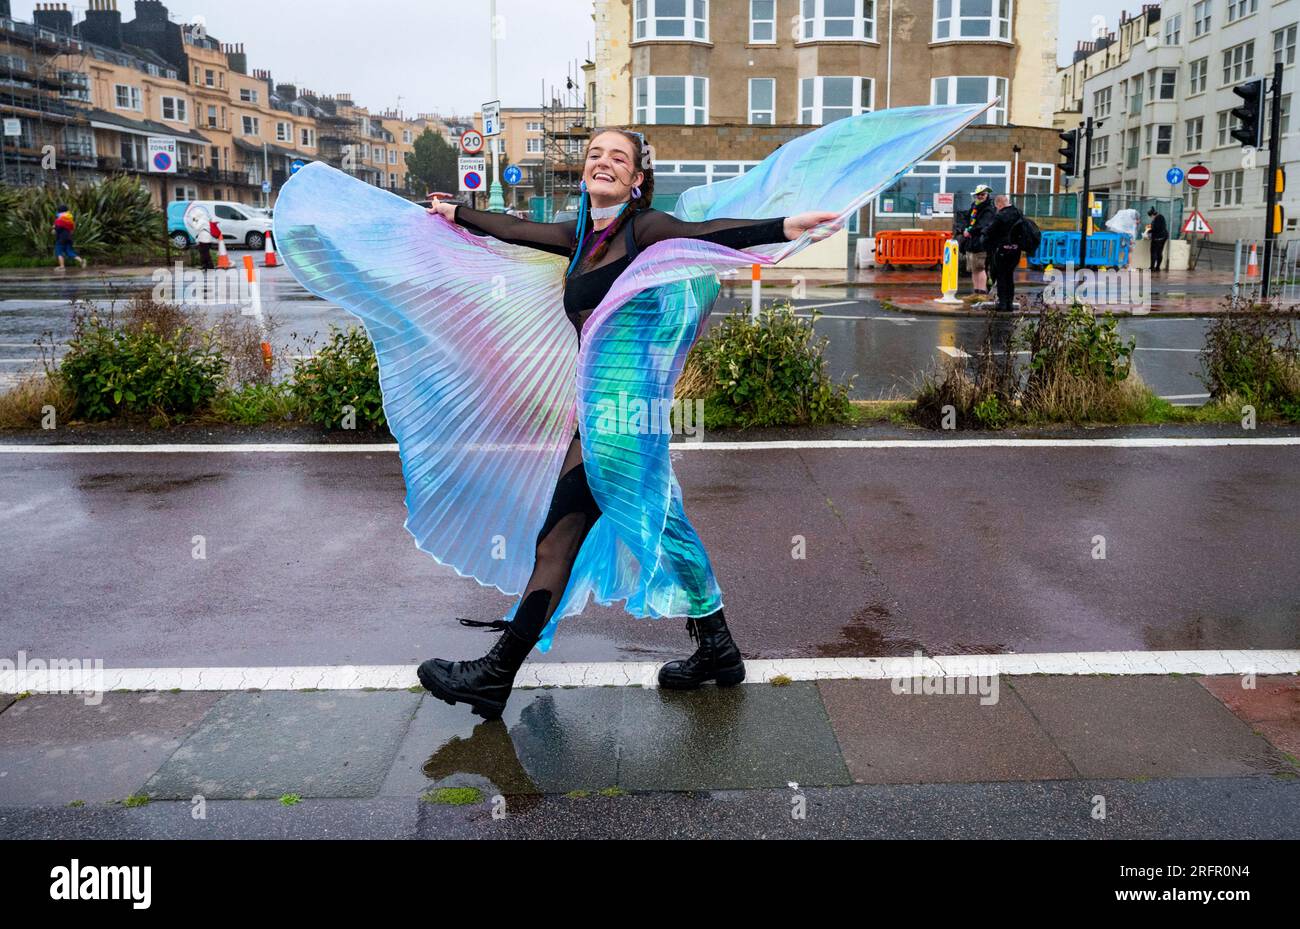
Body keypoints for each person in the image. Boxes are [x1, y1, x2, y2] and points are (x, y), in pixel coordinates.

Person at [409, 130, 840, 719]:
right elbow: (510, 229)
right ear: (583, 173)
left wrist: (782, 227)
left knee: (623, 531)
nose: (604, 162)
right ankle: (716, 648)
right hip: (598, 415)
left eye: (619, 157)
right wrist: (456, 212)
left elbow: (706, 237)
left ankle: (498, 672)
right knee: (622, 530)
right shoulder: (579, 237)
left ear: (637, 179)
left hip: (623, 418)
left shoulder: (646, 230)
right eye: (595, 154)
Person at [983, 194, 1025, 312]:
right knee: (1009, 276)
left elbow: (990, 231)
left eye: (997, 207)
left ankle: (1003, 304)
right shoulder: (1018, 213)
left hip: (1002, 250)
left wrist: (984, 232)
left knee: (1001, 276)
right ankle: (1010, 303)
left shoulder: (1000, 216)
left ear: (999, 204)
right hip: (1016, 250)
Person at [953, 184, 995, 295]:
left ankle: (981, 293)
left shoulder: (988, 209)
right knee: (973, 269)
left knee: (980, 268)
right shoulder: (974, 206)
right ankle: (976, 292)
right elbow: (967, 220)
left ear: (987, 195)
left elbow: (983, 225)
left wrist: (969, 231)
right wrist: (963, 229)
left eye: (983, 194)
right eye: (978, 194)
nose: (980, 196)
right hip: (971, 243)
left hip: (980, 243)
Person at [53, 206, 86, 271]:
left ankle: (62, 267)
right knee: (69, 252)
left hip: (61, 239)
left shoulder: (59, 220)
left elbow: (57, 229)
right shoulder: (70, 220)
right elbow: (72, 229)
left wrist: (54, 228)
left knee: (59, 252)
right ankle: (81, 261)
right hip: (69, 238)